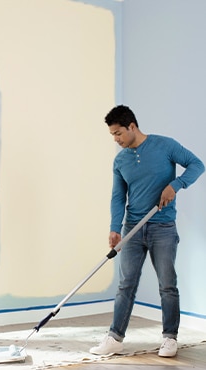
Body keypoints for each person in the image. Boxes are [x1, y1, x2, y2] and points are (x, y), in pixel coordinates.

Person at [90, 105, 204, 358]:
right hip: (132, 229)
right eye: (112, 135)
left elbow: (197, 165)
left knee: (167, 285)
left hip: (162, 227)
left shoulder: (165, 145)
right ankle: (115, 338)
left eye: (118, 133)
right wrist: (114, 228)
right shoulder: (120, 160)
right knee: (126, 285)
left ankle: (169, 338)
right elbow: (118, 197)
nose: (116, 139)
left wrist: (176, 185)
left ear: (132, 126)